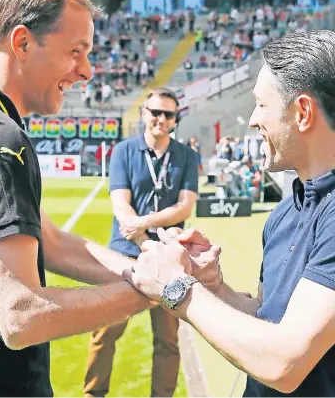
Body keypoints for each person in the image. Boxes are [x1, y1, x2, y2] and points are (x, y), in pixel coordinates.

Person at [124, 30, 335, 397]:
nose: (252, 120)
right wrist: (212, 286)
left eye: (261, 105)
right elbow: (266, 318)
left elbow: (284, 364)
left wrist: (177, 287)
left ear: (302, 112)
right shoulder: (284, 213)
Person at [0, 0, 170, 396]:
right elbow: (19, 315)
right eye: (75, 51)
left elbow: (50, 241)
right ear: (22, 43)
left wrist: (148, 271)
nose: (86, 71)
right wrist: (160, 291)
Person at [84, 88, 199, 397]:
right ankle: (93, 394)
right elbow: (121, 207)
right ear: (144, 113)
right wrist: (144, 241)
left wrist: (145, 225)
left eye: (169, 114)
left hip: (170, 260)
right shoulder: (123, 150)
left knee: (167, 340)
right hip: (125, 257)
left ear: (176, 119)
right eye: (155, 112)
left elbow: (185, 207)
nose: (161, 119)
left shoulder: (187, 155)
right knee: (105, 332)